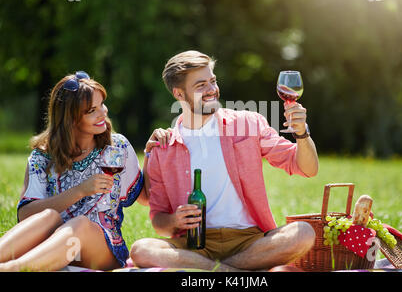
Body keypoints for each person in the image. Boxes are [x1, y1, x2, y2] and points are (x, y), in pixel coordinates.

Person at [130, 51, 319, 271]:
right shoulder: (164, 146)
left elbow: (307, 168)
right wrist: (174, 220)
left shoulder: (248, 124)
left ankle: (213, 270)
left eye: (213, 81)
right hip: (194, 244)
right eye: (201, 85)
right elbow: (158, 220)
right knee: (141, 249)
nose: (211, 90)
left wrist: (302, 134)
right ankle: (234, 272)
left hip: (250, 241)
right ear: (179, 93)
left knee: (303, 233)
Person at [0, 71, 169, 272]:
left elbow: (145, 197)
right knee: (48, 216)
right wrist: (80, 191)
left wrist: (150, 155)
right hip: (52, 244)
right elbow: (25, 215)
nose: (103, 113)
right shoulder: (43, 157)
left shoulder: (117, 147)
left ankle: (13, 269)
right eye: (92, 110)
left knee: (80, 224)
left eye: (102, 105)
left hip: (102, 249)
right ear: (70, 119)